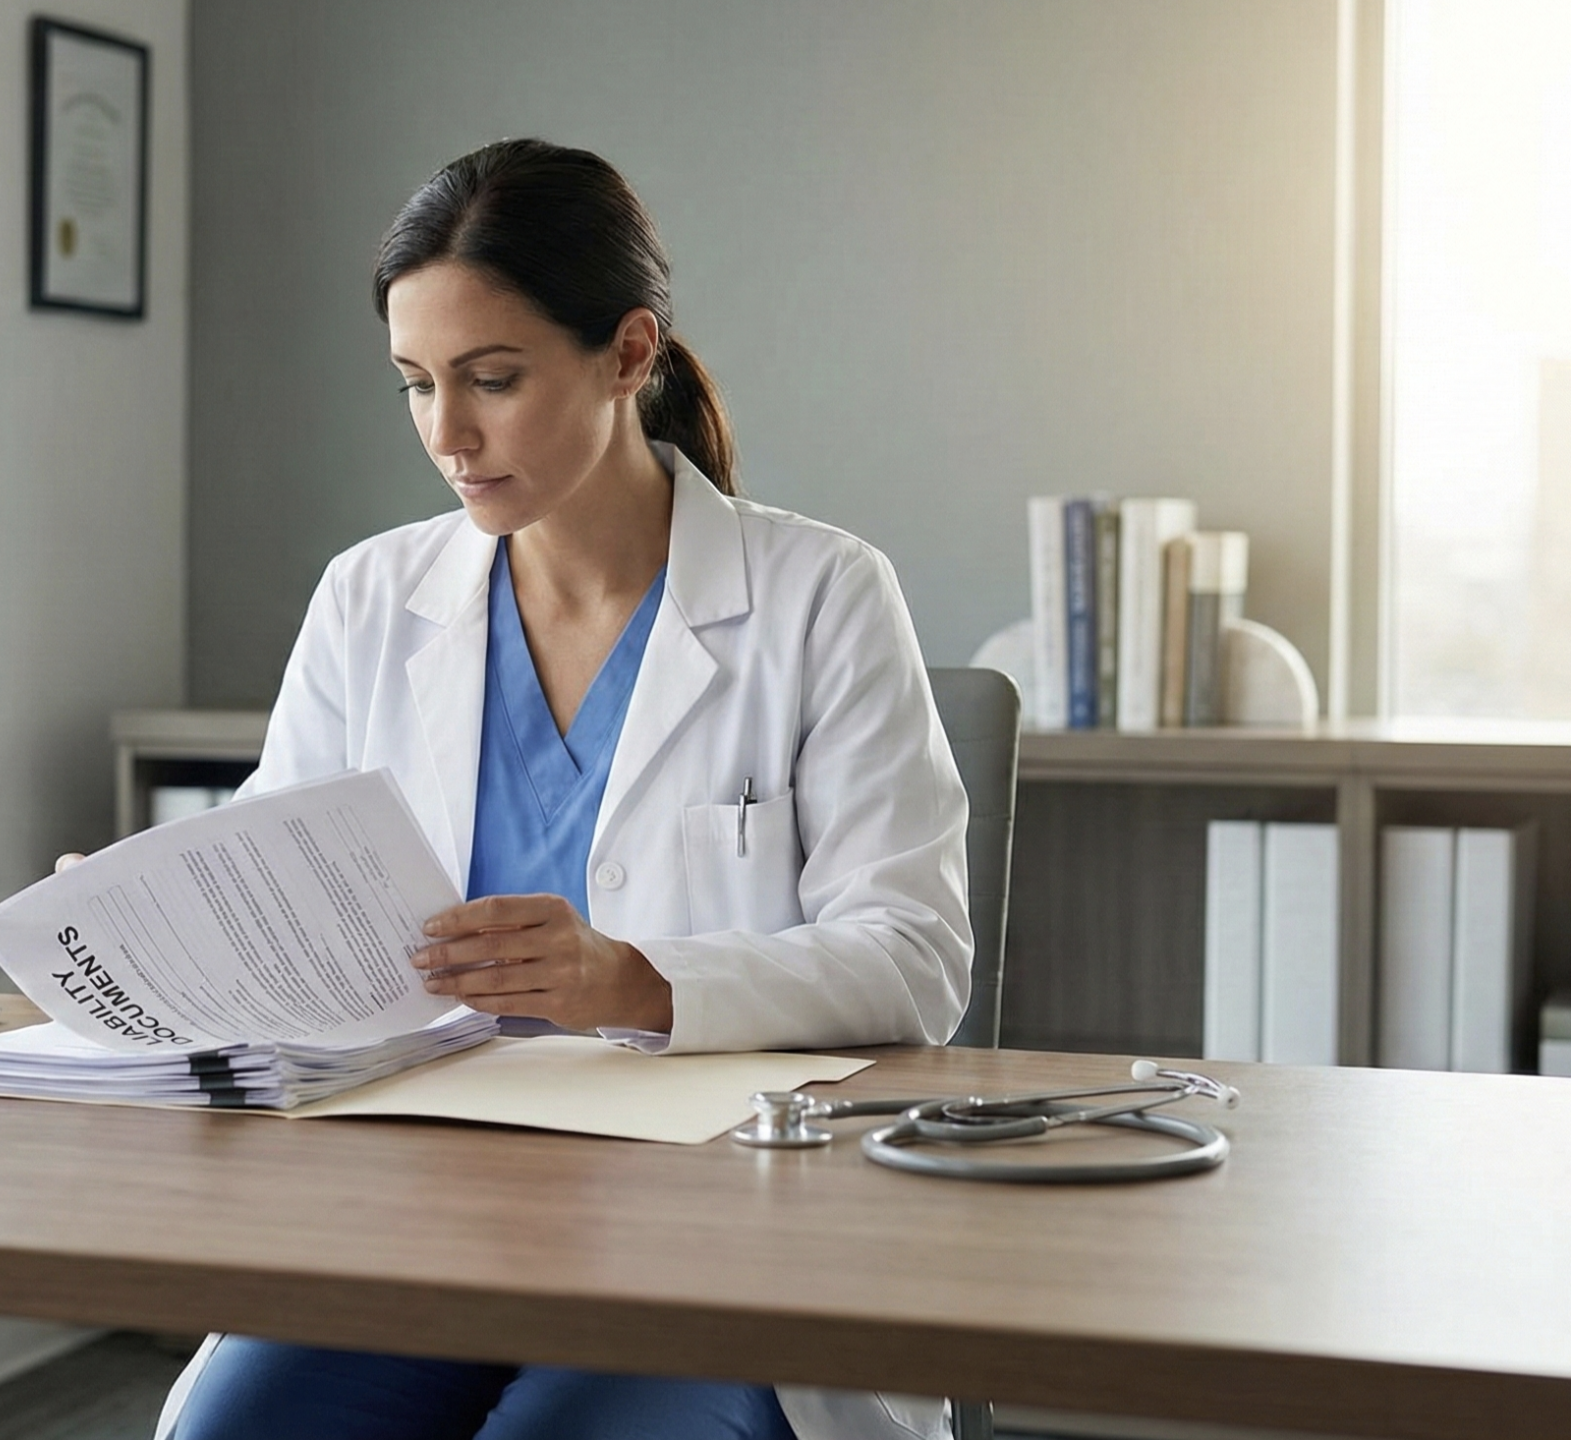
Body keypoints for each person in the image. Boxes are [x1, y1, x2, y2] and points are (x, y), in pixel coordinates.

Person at [164, 139, 973, 1440]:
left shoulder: (821, 596)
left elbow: (916, 959)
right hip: (414, 1216)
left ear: (628, 354)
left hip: (711, 1228)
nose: (447, 433)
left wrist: (632, 979)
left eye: (493, 379)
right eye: (416, 384)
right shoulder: (373, 599)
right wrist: (149, 921)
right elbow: (275, 880)